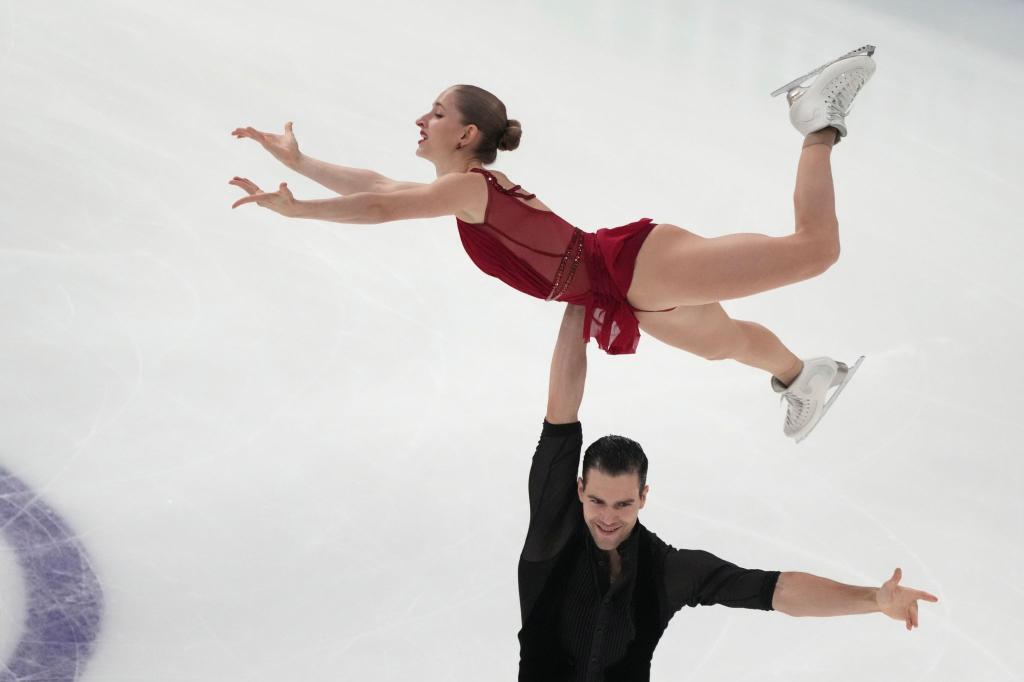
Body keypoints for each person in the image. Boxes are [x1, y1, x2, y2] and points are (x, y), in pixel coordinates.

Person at [229, 46, 876, 441]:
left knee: (813, 250)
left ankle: (815, 118)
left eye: (435, 112)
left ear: (465, 134)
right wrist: (302, 162)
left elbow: (378, 206)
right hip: (624, 290)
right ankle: (803, 378)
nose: (421, 119)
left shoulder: (467, 191)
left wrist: (300, 213)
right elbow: (377, 184)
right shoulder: (464, 187)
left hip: (632, 265)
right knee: (725, 343)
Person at [516, 303, 938, 681]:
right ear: (578, 490)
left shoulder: (666, 572)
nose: (608, 516)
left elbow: (776, 590)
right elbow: (561, 414)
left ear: (644, 496)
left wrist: (873, 599)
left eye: (624, 503)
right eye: (598, 502)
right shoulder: (553, 531)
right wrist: (576, 300)